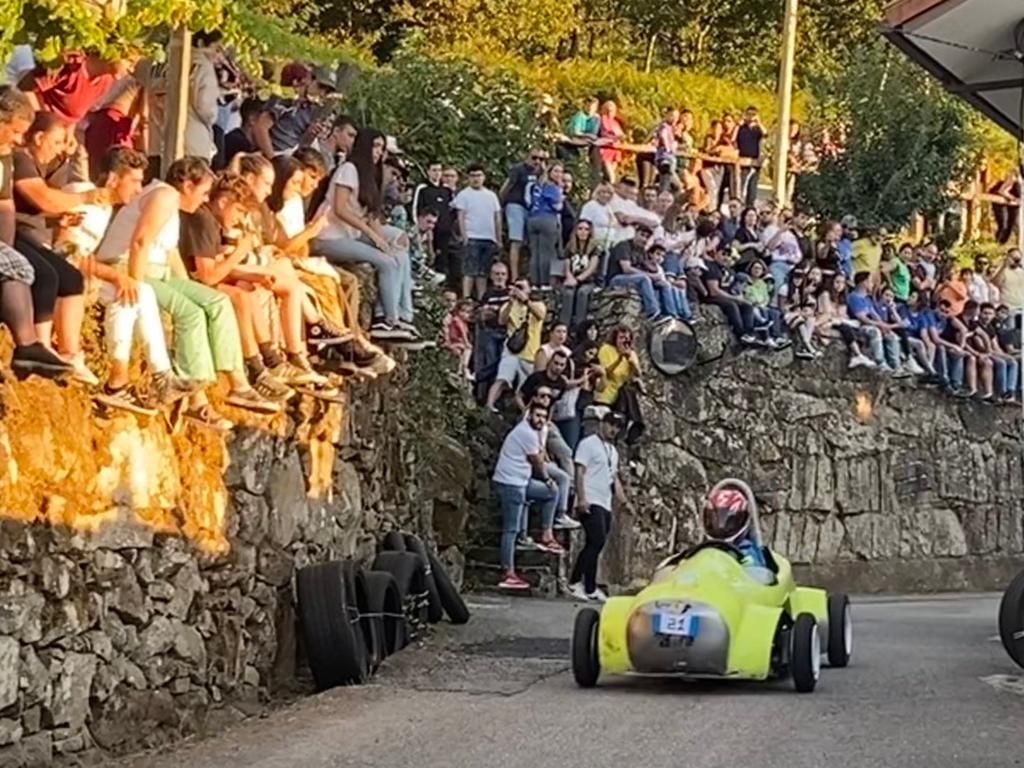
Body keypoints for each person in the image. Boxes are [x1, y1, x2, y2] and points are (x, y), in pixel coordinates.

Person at [492, 402, 559, 591]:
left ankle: (546, 533)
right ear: (529, 415)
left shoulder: (533, 432)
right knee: (510, 530)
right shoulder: (527, 433)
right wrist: (547, 479)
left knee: (552, 493)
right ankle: (508, 572)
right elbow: (538, 462)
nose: (540, 420)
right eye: (537, 415)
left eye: (543, 417)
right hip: (511, 483)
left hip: (520, 481)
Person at [568, 406, 629, 603]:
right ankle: (576, 581)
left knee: (596, 543)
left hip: (605, 502)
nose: (613, 429)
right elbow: (580, 471)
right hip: (590, 498)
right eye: (611, 424)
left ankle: (590, 586)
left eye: (617, 426)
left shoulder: (612, 451)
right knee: (596, 540)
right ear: (602, 424)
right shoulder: (588, 444)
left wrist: (624, 501)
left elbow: (614, 479)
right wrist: (581, 498)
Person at [702, 485, 767, 570]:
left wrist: (751, 567)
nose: (721, 527)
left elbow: (761, 574)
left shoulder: (747, 550)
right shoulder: (705, 548)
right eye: (715, 520)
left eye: (729, 521)